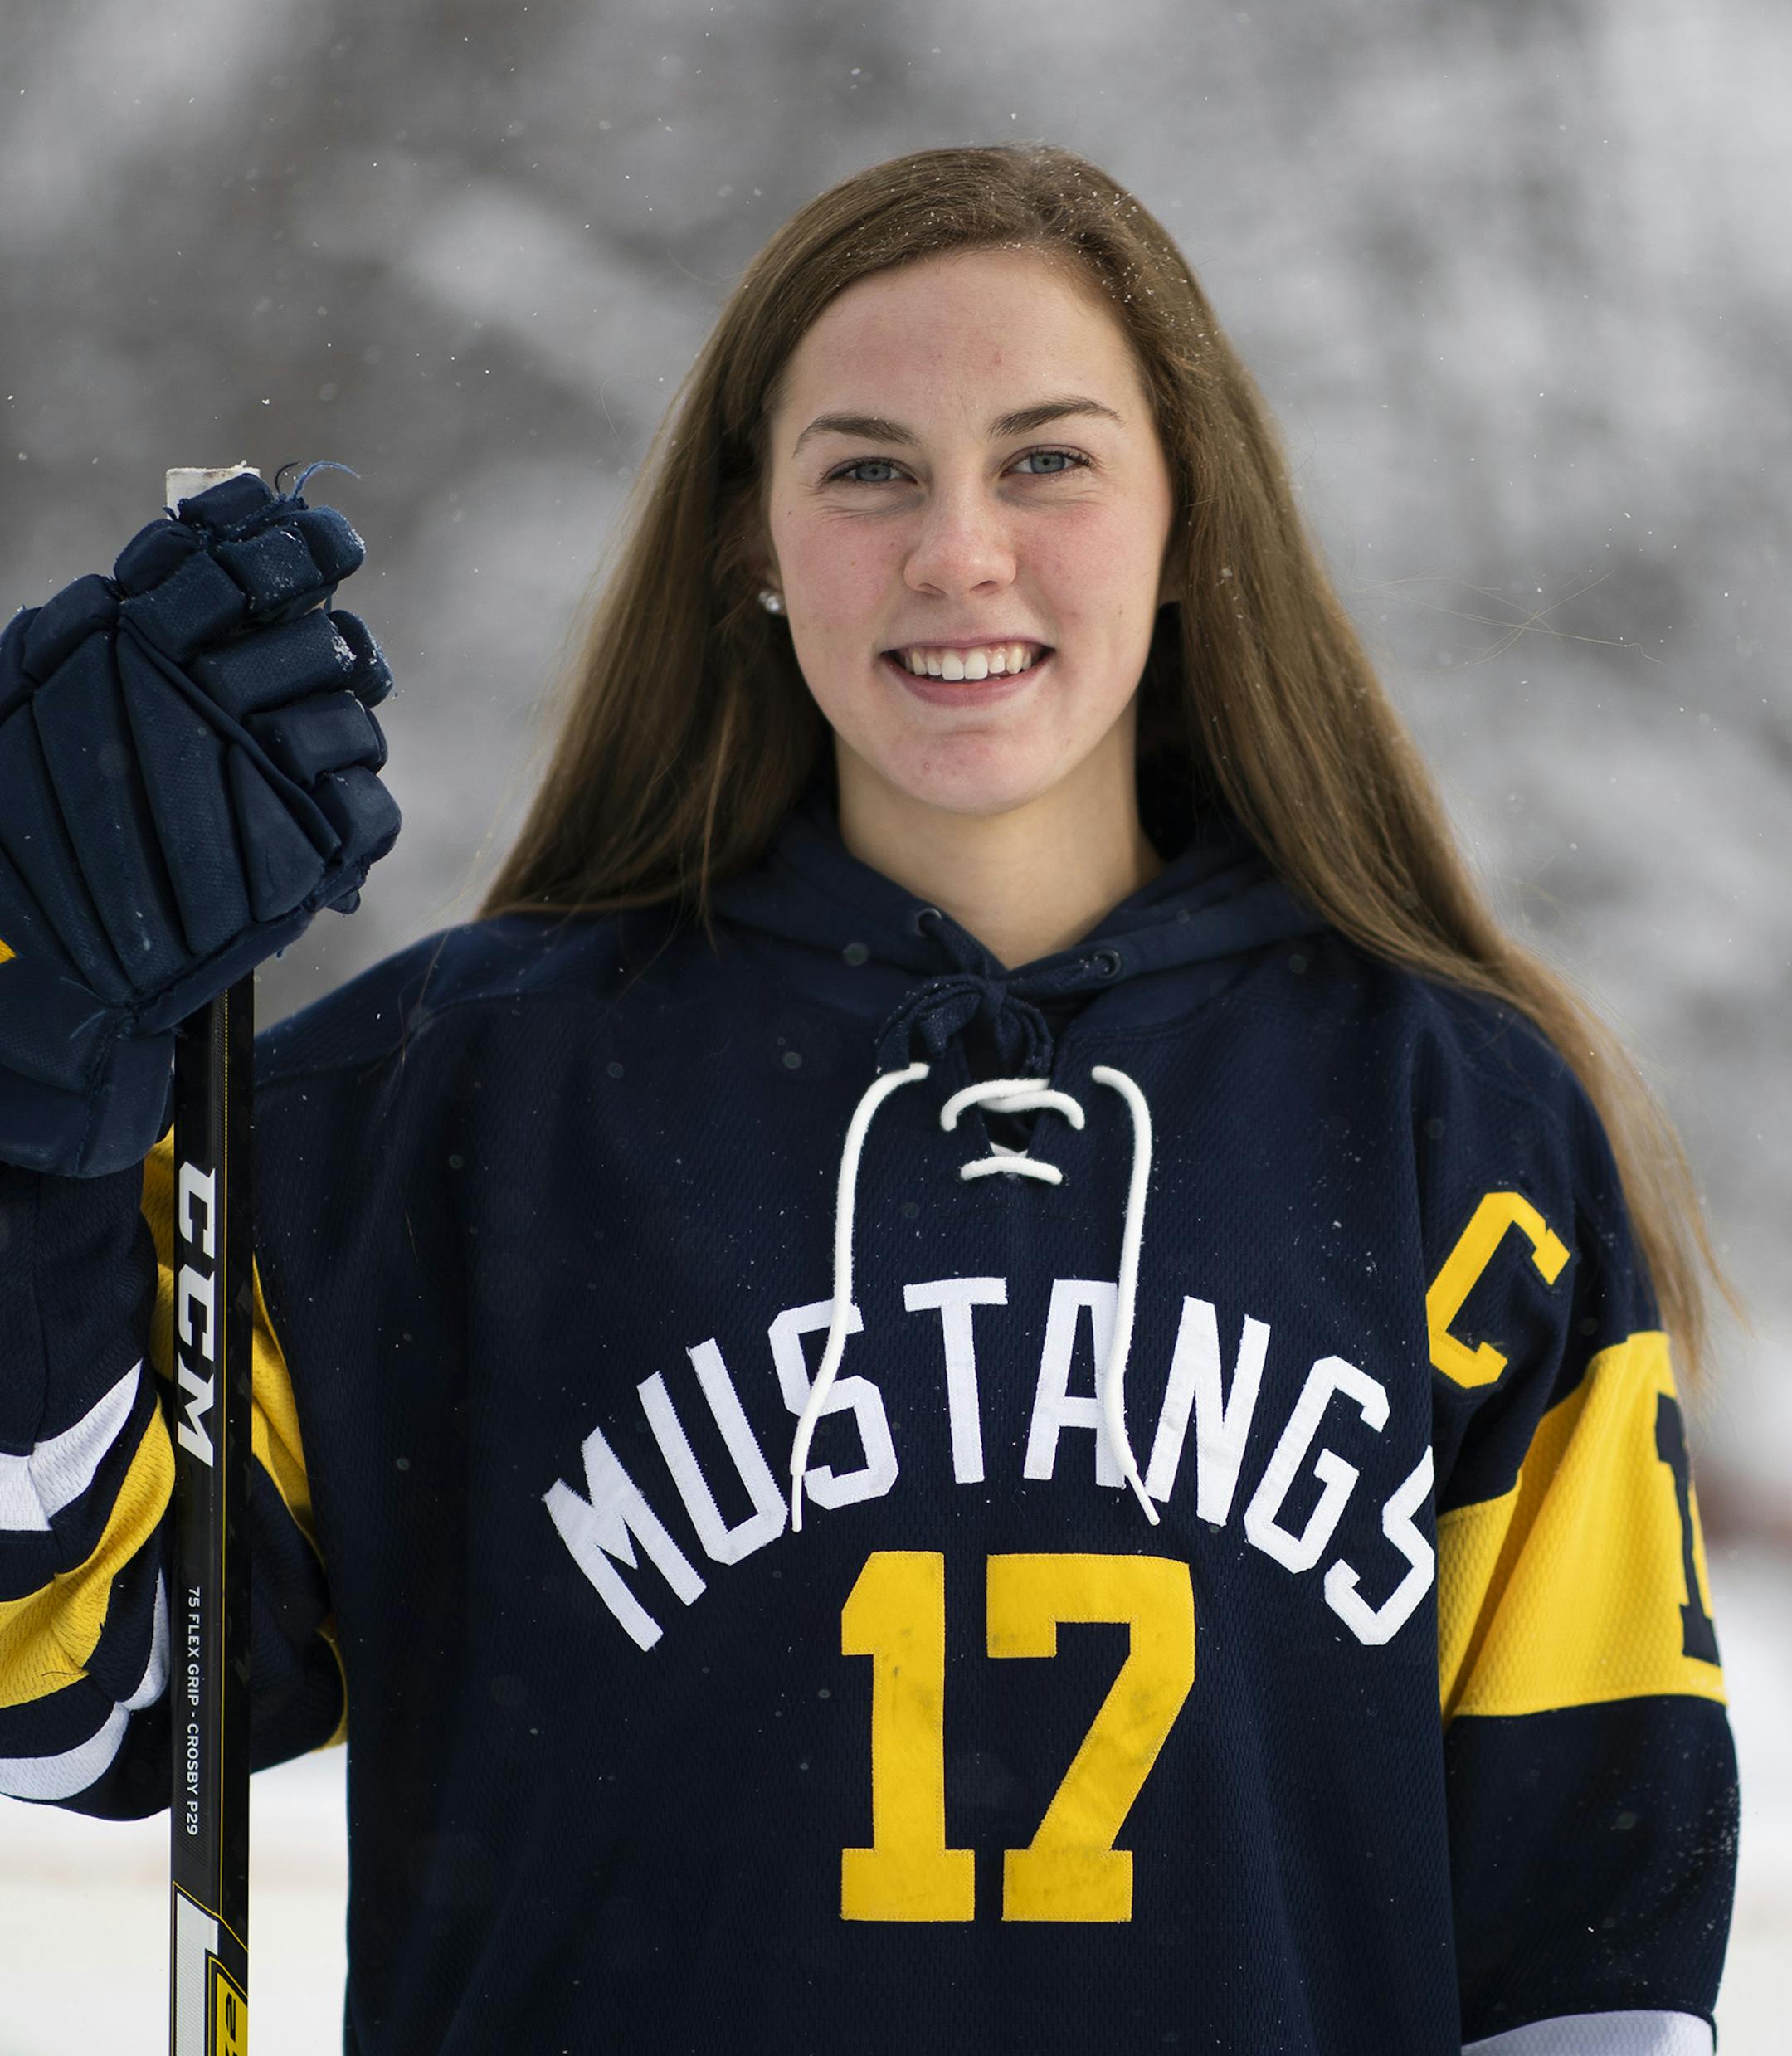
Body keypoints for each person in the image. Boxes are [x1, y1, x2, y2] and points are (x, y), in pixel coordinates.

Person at [0, 143, 1739, 2054]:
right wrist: (34, 1089)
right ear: (752, 534)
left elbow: (1593, 1925)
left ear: (1189, 514)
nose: (957, 552)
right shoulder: (439, 1110)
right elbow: (85, 1700)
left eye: (1049, 459)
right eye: (869, 469)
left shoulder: (1454, 1126)